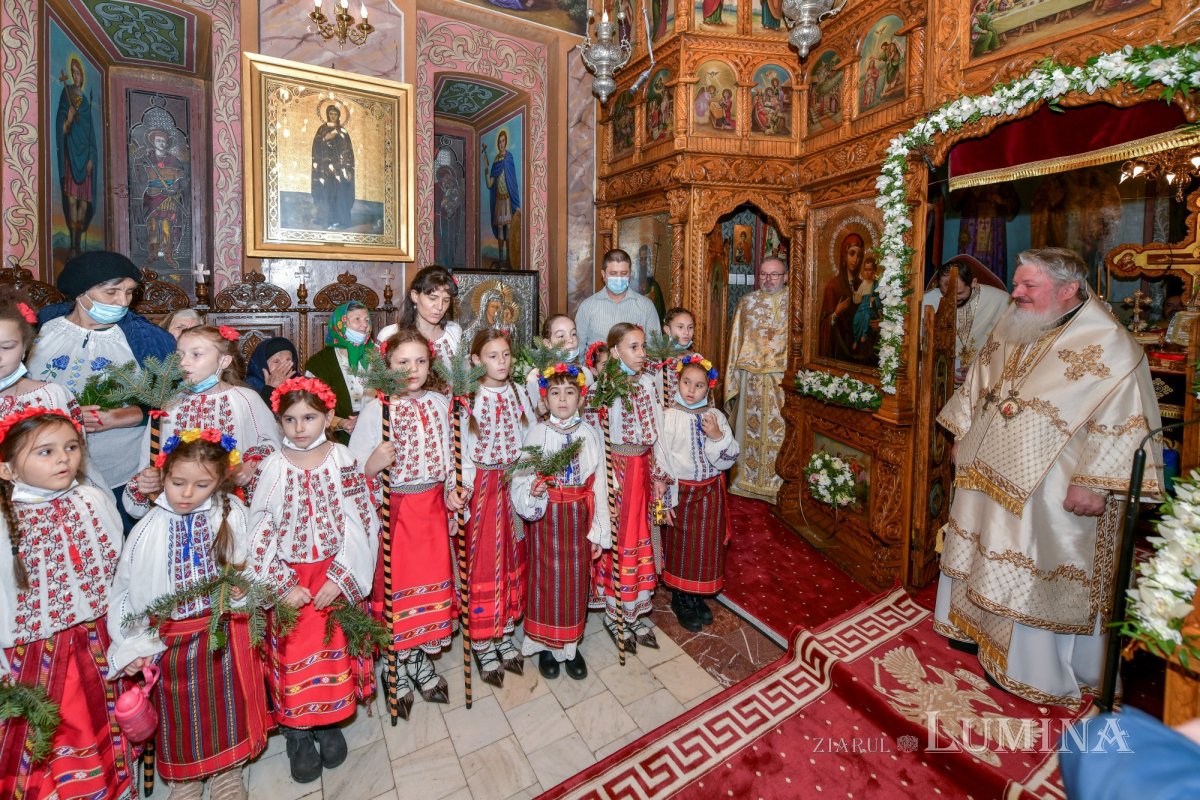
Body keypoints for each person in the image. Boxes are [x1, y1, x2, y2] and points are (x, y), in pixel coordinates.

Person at [935, 247, 1162, 707]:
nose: (1014, 292)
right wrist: (964, 433)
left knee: (1030, 559)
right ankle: (971, 629)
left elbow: (1125, 421)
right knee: (979, 542)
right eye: (1017, 283)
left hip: (1052, 486)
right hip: (986, 471)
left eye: (1027, 286)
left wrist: (1095, 481)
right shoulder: (1017, 321)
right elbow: (983, 377)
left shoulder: (1113, 346)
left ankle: (1030, 666)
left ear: (1068, 290)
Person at [107, 431, 269, 800]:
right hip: (169, 640)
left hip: (220, 631)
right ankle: (184, 778)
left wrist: (244, 590)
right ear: (164, 475)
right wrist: (131, 645)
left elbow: (253, 560)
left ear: (218, 482)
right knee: (178, 713)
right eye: (178, 482)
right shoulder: (149, 528)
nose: (186, 493)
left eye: (200, 485)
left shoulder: (231, 514)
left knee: (227, 703)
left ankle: (227, 771)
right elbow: (125, 592)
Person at [0, 407, 136, 799]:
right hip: (28, 656)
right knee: (38, 747)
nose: (63, 458)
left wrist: (132, 639)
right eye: (45, 451)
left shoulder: (91, 500)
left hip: (96, 644)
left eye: (71, 446)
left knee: (100, 729)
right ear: (8, 470)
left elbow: (119, 574)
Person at [250, 377, 379, 783]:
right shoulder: (273, 465)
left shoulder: (342, 458)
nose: (300, 427)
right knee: (292, 654)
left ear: (326, 416)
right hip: (291, 580)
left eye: (309, 417)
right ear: (279, 422)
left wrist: (342, 577)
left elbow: (361, 519)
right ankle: (297, 731)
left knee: (333, 648)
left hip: (331, 574)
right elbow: (259, 527)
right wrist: (279, 583)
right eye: (290, 419)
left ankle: (329, 721)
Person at [348, 327, 467, 718]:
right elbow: (351, 474)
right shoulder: (376, 409)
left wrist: (453, 490)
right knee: (398, 590)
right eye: (403, 362)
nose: (412, 369)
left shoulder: (438, 403)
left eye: (420, 361)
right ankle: (398, 664)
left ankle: (417, 657)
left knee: (430, 587)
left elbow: (451, 455)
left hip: (431, 511)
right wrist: (373, 464)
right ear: (388, 365)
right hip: (396, 515)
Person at [30, 250, 176, 530]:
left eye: (129, 292)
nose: (123, 302)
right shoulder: (40, 333)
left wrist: (124, 416)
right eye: (112, 292)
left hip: (123, 470)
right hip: (46, 472)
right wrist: (63, 415)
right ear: (81, 291)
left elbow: (175, 403)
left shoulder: (146, 340)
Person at [511, 364, 610, 680]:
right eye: (555, 392)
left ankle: (569, 644)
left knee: (575, 581)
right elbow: (521, 480)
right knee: (546, 580)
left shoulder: (588, 433)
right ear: (546, 397)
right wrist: (534, 492)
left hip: (580, 517)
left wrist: (598, 532)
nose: (563, 399)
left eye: (570, 392)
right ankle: (542, 644)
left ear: (581, 397)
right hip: (548, 519)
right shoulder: (538, 433)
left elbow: (599, 485)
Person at [123, 326, 280, 516]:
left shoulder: (246, 399)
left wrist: (251, 464)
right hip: (179, 507)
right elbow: (151, 458)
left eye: (196, 355)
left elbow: (272, 444)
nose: (184, 363)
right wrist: (150, 479)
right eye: (180, 355)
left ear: (223, 360)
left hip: (230, 508)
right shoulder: (169, 404)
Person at [460, 330, 535, 686]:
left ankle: (504, 631)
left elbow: (529, 436)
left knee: (512, 556)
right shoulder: (469, 397)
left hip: (513, 483)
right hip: (483, 489)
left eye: (506, 355)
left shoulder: (518, 391)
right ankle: (482, 640)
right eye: (493, 356)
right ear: (476, 360)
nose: (502, 362)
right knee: (485, 563)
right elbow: (460, 447)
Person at [591, 322, 671, 651]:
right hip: (617, 471)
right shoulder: (605, 386)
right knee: (620, 537)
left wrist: (660, 474)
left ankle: (635, 611)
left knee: (641, 537)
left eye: (642, 347)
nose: (641, 353)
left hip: (643, 469)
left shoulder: (650, 381)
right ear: (615, 351)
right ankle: (616, 613)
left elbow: (659, 429)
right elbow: (597, 438)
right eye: (633, 347)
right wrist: (604, 481)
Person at [659, 356, 739, 632]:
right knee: (682, 549)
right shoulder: (668, 417)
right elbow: (660, 461)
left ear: (709, 388)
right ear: (677, 383)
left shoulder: (715, 417)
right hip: (680, 493)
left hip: (710, 492)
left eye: (699, 386)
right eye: (686, 383)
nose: (691, 390)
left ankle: (696, 595)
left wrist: (717, 436)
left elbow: (728, 459)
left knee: (705, 547)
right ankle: (681, 596)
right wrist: (663, 502)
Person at [724, 256, 789, 503]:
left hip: (781, 382)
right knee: (748, 431)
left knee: (780, 432)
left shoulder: (796, 303)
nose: (768, 279)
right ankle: (745, 481)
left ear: (785, 276)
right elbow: (735, 344)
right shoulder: (746, 303)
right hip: (751, 380)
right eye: (763, 274)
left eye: (773, 274)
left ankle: (777, 484)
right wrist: (733, 380)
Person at [921, 254, 1011, 383]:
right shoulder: (927, 301)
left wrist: (980, 369)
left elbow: (1010, 348)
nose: (952, 298)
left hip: (985, 379)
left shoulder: (1000, 301)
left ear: (973, 282)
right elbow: (920, 347)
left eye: (959, 293)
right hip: (939, 379)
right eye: (945, 293)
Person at [305, 302, 374, 444]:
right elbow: (310, 406)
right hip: (335, 438)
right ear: (340, 324)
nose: (365, 325)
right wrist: (341, 423)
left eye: (367, 320)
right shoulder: (319, 363)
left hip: (374, 434)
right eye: (357, 319)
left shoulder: (376, 357)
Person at [56, 55, 98, 259]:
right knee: (72, 201)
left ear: (82, 74)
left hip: (85, 156)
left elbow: (91, 135)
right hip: (71, 154)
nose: (75, 75)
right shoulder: (67, 96)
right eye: (73, 73)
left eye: (78, 72)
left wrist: (91, 158)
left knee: (83, 203)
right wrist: (69, 119)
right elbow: (61, 127)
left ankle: (79, 244)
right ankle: (72, 245)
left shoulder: (87, 105)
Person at [575, 250, 662, 348]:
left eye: (623, 273)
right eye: (613, 273)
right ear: (603, 275)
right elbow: (579, 348)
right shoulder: (587, 307)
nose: (619, 278)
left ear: (630, 274)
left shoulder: (646, 306)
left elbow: (656, 349)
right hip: (598, 363)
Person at [386, 265, 462, 369]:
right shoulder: (391, 334)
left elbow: (464, 377)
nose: (440, 307)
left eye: (446, 300)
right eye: (432, 298)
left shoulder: (454, 331)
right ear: (415, 296)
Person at [138, 129, 188, 267]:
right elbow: (140, 176)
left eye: (164, 141)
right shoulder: (146, 157)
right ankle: (152, 255)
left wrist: (174, 188)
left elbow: (180, 178)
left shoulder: (173, 160)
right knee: (152, 227)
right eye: (158, 140)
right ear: (153, 142)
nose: (162, 143)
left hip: (168, 197)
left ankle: (168, 256)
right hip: (152, 196)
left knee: (167, 227)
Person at [526, 314, 594, 414]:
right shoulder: (535, 378)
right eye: (561, 336)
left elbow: (589, 414)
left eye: (573, 334)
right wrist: (538, 412)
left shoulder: (586, 374)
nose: (570, 340)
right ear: (547, 344)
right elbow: (528, 419)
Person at [817, 234, 863, 362]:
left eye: (859, 256)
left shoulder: (862, 286)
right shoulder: (833, 286)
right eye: (852, 254)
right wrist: (836, 314)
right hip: (839, 350)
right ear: (844, 255)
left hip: (859, 350)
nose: (855, 260)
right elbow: (823, 325)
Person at [311, 103, 356, 230]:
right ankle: (326, 219)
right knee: (327, 194)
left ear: (339, 116)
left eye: (335, 114)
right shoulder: (322, 130)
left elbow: (348, 151)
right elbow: (316, 147)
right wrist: (326, 138)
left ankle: (342, 220)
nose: (333, 116)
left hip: (340, 169)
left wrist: (349, 169)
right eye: (331, 114)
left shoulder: (343, 132)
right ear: (327, 114)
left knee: (340, 194)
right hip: (325, 169)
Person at [483, 131, 521, 268]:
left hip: (508, 199)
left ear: (506, 142)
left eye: (503, 141)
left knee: (510, 229)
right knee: (500, 230)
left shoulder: (509, 158)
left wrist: (516, 203)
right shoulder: (495, 161)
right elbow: (489, 184)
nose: (501, 144)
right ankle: (501, 260)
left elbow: (513, 181)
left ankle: (510, 260)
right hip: (499, 200)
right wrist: (486, 167)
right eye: (499, 141)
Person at [246, 335, 303, 406]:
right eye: (276, 361)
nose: (283, 366)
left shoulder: (301, 383)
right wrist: (270, 389)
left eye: (288, 360)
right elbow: (257, 414)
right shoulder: (248, 388)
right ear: (262, 364)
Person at [660, 306, 697, 399]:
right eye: (680, 327)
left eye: (690, 327)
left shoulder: (697, 359)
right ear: (667, 330)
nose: (686, 332)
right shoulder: (657, 360)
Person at [851, 252, 882, 351]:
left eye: (870, 270)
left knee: (867, 316)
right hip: (862, 306)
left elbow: (880, 300)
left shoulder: (876, 284)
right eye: (866, 270)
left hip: (870, 308)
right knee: (856, 318)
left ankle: (864, 334)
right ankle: (856, 339)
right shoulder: (863, 283)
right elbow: (858, 298)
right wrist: (854, 293)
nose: (868, 272)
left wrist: (875, 299)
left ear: (874, 271)